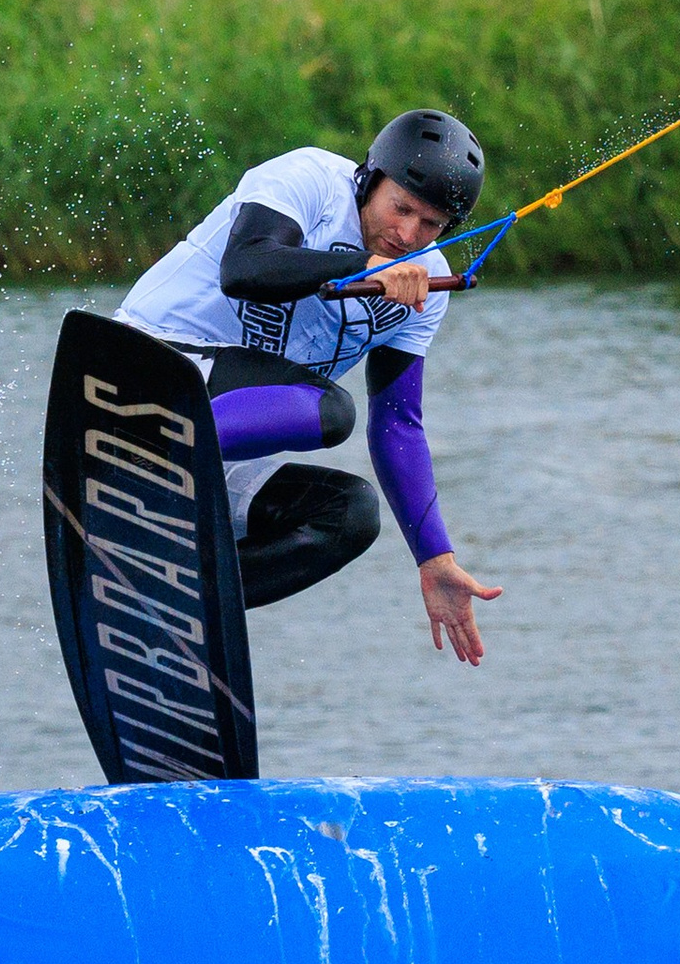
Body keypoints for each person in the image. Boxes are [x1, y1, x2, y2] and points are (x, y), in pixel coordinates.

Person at [119, 108, 504, 665]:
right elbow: (246, 265)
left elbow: (399, 424)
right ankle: (141, 444)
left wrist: (434, 557)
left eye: (430, 225)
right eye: (402, 209)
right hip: (147, 367)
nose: (408, 235)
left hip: (216, 442)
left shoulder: (425, 288)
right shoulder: (309, 181)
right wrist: (363, 269)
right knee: (329, 412)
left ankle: (175, 604)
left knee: (348, 514)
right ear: (371, 180)